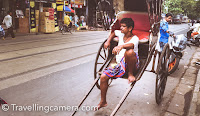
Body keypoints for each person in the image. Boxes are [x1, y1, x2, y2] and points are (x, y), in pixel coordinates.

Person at [96, 18, 139, 110]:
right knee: (103, 77)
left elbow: (131, 45)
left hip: (131, 64)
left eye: (124, 26)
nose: (121, 28)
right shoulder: (120, 33)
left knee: (130, 52)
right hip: (118, 64)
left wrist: (121, 46)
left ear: (130, 28)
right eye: (121, 26)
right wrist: (108, 41)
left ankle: (130, 74)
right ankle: (103, 101)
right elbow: (113, 33)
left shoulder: (135, 38)